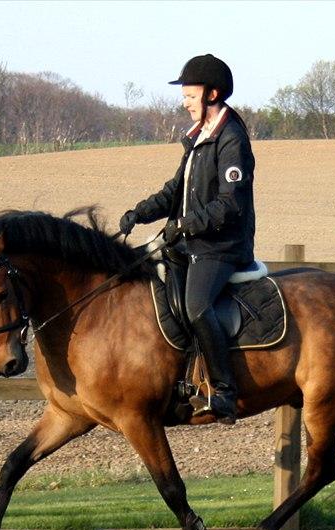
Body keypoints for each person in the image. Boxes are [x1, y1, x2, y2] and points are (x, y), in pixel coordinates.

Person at [119, 54, 256, 424]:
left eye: (190, 94)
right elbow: (174, 192)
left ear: (212, 93)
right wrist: (141, 212)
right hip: (191, 243)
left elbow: (230, 205)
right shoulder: (198, 138)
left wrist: (184, 226)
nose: (184, 101)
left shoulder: (231, 139)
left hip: (222, 248)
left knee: (196, 306)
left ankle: (224, 392)